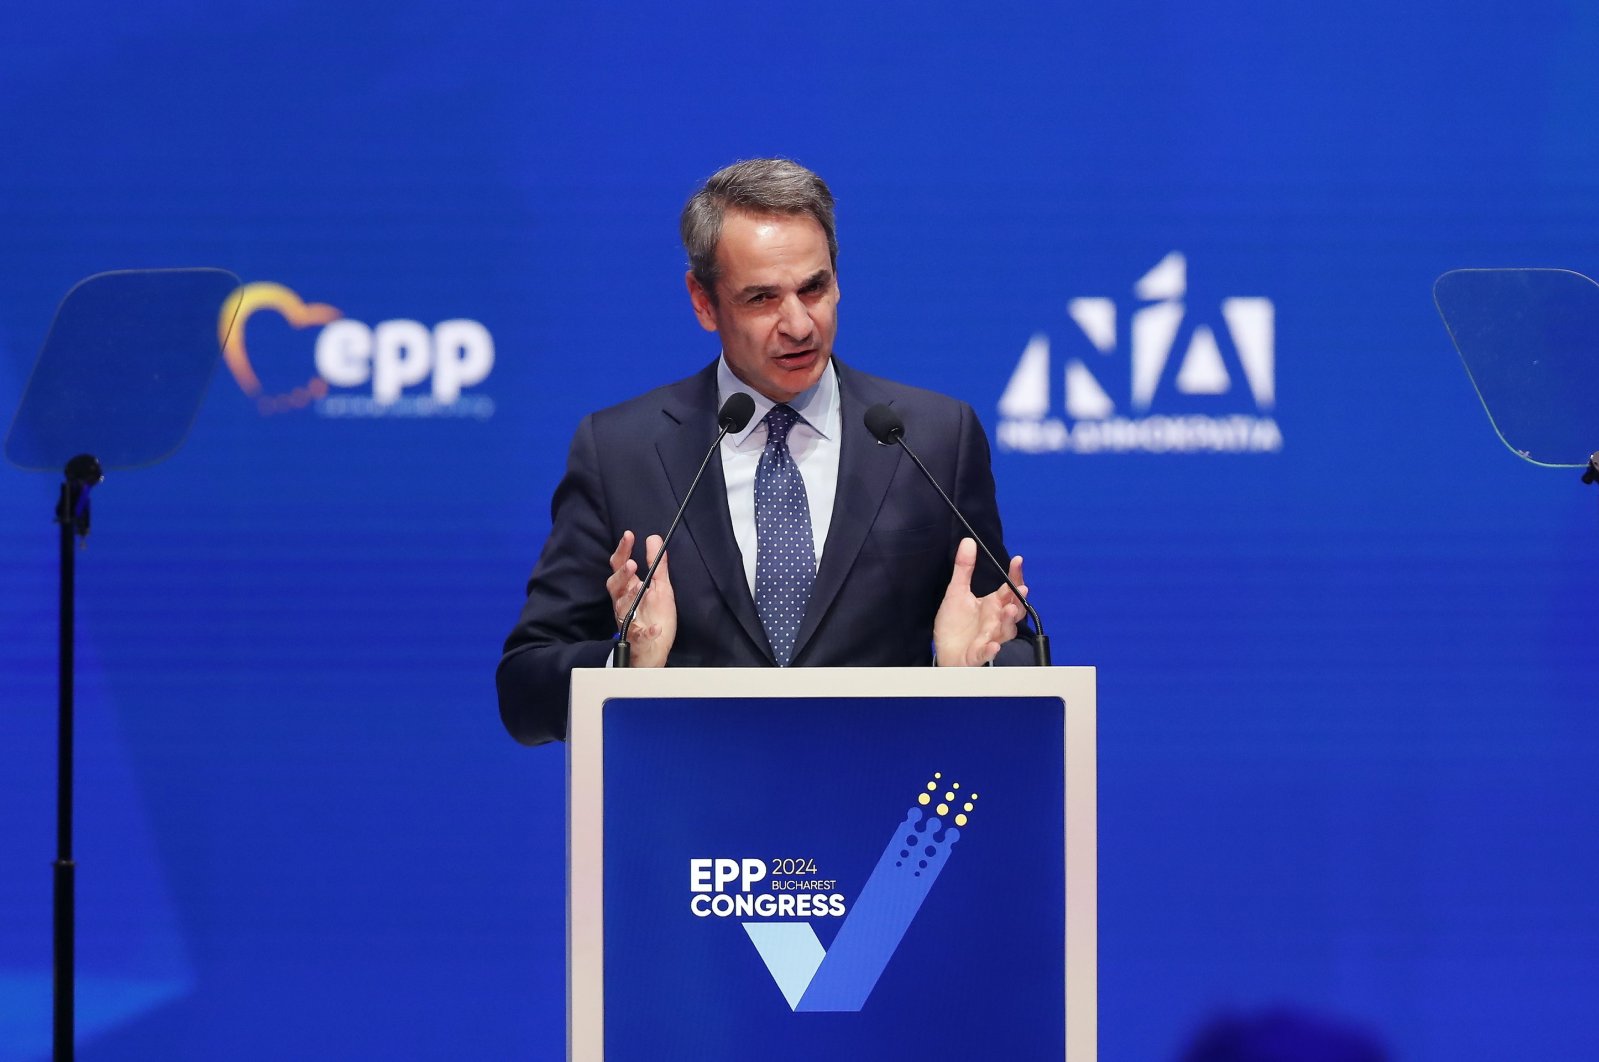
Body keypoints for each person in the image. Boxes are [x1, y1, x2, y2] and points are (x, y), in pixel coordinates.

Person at [497, 158, 1035, 746]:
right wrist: (630, 666)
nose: (800, 325)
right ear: (703, 302)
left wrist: (962, 674)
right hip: (693, 822)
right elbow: (525, 688)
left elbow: (1012, 644)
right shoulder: (621, 450)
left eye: (814, 288)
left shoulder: (933, 437)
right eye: (761, 298)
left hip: (879, 813)